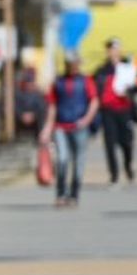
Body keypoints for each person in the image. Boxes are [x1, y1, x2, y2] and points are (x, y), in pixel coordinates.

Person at [40, 55, 98, 207]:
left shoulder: (85, 81)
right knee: (62, 159)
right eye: (69, 63)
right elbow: (52, 106)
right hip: (61, 126)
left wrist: (86, 120)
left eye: (74, 63)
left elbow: (94, 101)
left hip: (79, 127)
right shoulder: (58, 82)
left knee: (79, 162)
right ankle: (60, 193)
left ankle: (74, 194)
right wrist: (47, 128)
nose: (72, 66)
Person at [93, 38, 137, 186]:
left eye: (116, 49)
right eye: (111, 49)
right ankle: (114, 174)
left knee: (127, 142)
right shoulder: (101, 70)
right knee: (110, 143)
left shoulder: (127, 67)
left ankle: (128, 166)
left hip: (124, 109)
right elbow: (94, 89)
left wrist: (131, 90)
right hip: (108, 111)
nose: (114, 52)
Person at [14, 68, 46, 138]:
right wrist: (21, 115)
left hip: (35, 119)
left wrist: (33, 115)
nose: (29, 85)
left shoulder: (38, 94)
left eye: (30, 82)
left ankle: (40, 135)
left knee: (43, 115)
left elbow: (41, 108)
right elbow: (16, 106)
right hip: (21, 118)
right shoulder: (19, 94)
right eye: (27, 82)